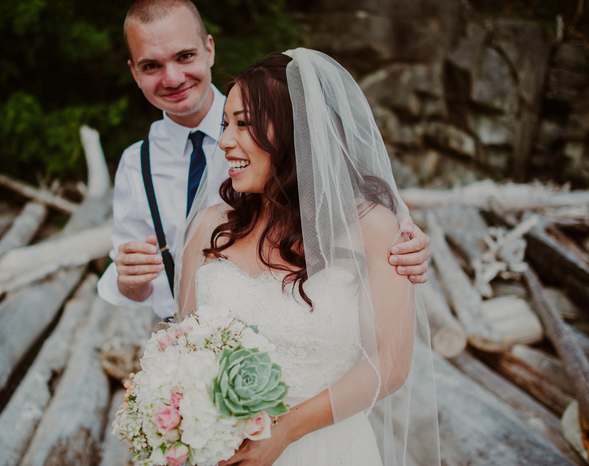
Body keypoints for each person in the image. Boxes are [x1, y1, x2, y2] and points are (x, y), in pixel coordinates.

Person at [175, 50, 440, 466]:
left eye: (243, 124)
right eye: (225, 124)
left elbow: (391, 364)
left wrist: (285, 432)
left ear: (296, 129)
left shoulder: (373, 228)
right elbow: (181, 352)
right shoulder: (210, 227)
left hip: (329, 450)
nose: (225, 140)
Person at [97, 0, 432, 320]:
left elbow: (347, 207)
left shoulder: (278, 114)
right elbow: (136, 276)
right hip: (194, 343)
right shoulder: (134, 164)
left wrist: (403, 245)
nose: (171, 78)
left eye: (184, 56)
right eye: (151, 66)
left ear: (209, 48)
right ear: (134, 72)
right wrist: (130, 280)